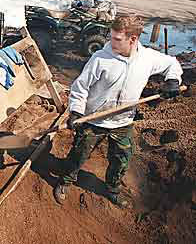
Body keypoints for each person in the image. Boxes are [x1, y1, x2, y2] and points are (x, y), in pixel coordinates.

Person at [53, 14, 183, 207]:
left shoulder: (147, 58)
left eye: (117, 39)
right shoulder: (100, 58)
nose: (110, 41)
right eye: (111, 36)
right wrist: (76, 111)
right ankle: (65, 181)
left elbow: (172, 63)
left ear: (133, 39)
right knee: (80, 153)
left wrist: (173, 80)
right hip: (94, 120)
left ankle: (112, 189)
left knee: (122, 159)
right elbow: (80, 87)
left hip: (123, 121)